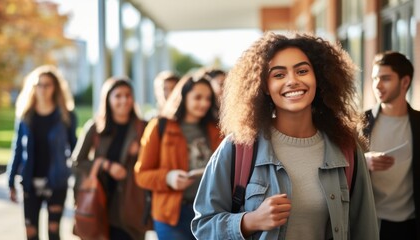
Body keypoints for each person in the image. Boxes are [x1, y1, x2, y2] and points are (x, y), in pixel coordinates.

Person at [191, 32, 379, 239]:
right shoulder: (238, 147)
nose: (292, 81)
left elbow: (366, 230)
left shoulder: (346, 148)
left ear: (319, 78)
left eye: (302, 71)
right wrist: (249, 221)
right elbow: (203, 226)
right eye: (279, 75)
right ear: (264, 86)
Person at [135, 75, 223, 240]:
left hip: (210, 213)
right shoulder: (159, 126)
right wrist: (168, 178)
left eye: (208, 98)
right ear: (183, 97)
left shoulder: (217, 129)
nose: (204, 103)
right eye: (197, 97)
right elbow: (141, 174)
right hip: (171, 215)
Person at [71, 77, 150, 239]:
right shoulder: (95, 127)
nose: (124, 100)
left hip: (131, 205)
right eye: (118, 96)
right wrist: (105, 165)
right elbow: (77, 162)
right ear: (108, 99)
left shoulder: (144, 127)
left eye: (128, 95)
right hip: (99, 203)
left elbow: (154, 161)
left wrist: (141, 150)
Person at [6, 65, 77, 240]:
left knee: (53, 233)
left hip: (57, 182)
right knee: (31, 234)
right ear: (33, 87)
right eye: (39, 85)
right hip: (30, 181)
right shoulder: (25, 115)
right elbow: (17, 148)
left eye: (48, 85)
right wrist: (11, 179)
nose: (43, 89)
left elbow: (75, 148)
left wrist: (80, 182)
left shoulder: (65, 115)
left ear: (55, 88)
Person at [362, 51, 420, 240]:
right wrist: (364, 162)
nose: (377, 85)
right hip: (371, 222)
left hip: (410, 225)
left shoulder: (418, 123)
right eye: (374, 78)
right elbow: (341, 165)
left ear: (404, 82)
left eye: (385, 78)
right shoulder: (360, 122)